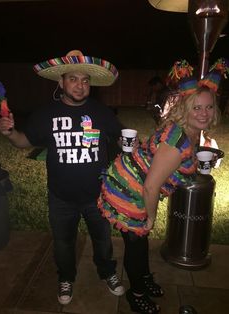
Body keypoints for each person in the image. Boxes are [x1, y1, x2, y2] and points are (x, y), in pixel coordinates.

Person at [0, 49, 125, 305]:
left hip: (97, 195)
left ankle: (108, 272)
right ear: (61, 82)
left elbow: (122, 139)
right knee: (63, 244)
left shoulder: (102, 113)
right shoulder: (46, 114)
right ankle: (66, 278)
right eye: (73, 79)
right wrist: (10, 133)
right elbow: (24, 141)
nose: (80, 85)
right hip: (61, 197)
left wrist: (131, 144)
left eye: (85, 80)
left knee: (102, 240)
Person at [98, 58, 226, 314]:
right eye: (196, 107)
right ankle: (136, 296)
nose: (203, 113)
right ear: (185, 109)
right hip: (130, 191)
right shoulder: (179, 141)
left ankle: (144, 279)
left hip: (136, 184)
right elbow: (151, 187)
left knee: (140, 242)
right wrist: (151, 217)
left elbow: (154, 156)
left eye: (208, 107)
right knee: (135, 245)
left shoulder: (184, 131)